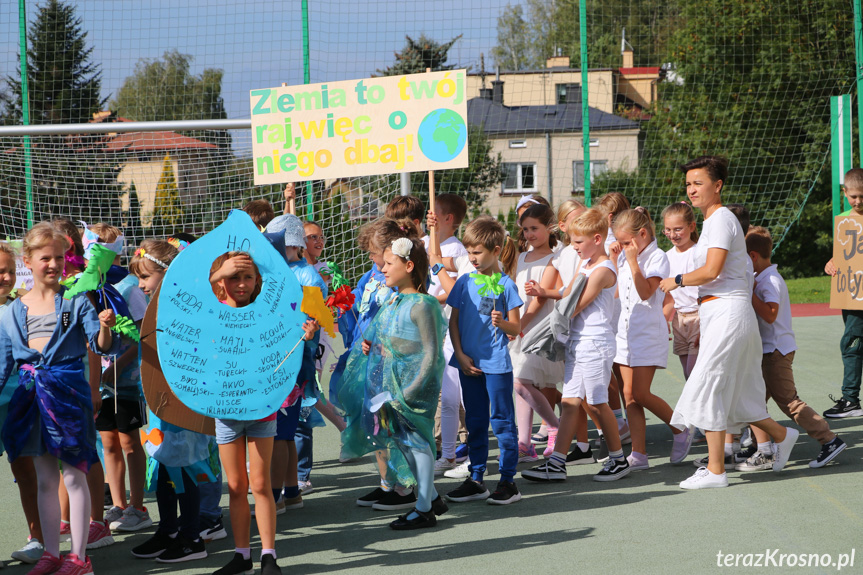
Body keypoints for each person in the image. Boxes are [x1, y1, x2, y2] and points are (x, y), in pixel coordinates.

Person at [659, 155, 799, 489]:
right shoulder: (713, 221)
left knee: (709, 385)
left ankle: (716, 470)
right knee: (735, 395)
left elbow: (712, 271)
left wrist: (675, 280)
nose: (691, 189)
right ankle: (782, 435)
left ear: (717, 186)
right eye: (689, 184)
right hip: (723, 313)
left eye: (699, 183)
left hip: (728, 314)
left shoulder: (720, 219)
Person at [0, 223, 118, 575]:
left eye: (58, 258)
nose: (52, 265)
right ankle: (52, 552)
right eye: (44, 258)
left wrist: (106, 326)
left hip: (67, 396)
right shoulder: (11, 312)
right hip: (29, 399)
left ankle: (79, 558)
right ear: (29, 261)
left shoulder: (76, 301)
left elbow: (101, 345)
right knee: (46, 480)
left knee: (74, 476)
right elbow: (4, 364)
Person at [340, 237, 449, 529]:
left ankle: (424, 507)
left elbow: (430, 351)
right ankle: (432, 497)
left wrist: (413, 387)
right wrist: (372, 345)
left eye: (389, 264)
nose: (383, 269)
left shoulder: (422, 304)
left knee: (417, 443)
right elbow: (387, 336)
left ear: (409, 265)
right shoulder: (394, 300)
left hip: (413, 385)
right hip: (393, 384)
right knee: (403, 441)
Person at [522, 208, 630, 482]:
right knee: (570, 403)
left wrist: (538, 327)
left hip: (595, 343)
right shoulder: (586, 265)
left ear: (597, 239)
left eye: (578, 242)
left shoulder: (604, 269)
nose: (574, 247)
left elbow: (576, 305)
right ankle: (557, 463)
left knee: (596, 404)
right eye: (572, 241)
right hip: (578, 343)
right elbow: (566, 292)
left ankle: (619, 460)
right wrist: (542, 292)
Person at [128, 239, 214, 564]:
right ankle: (169, 530)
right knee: (163, 463)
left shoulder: (185, 307)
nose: (140, 284)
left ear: (165, 274)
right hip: (159, 404)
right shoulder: (155, 308)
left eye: (146, 277)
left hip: (182, 404)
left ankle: (192, 538)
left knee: (185, 468)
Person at [735, 227, 846, 470]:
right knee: (753, 400)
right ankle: (758, 446)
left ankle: (829, 439)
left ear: (752, 256)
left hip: (775, 351)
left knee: (789, 403)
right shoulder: (763, 278)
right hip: (767, 351)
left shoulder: (770, 280)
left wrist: (748, 292)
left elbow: (771, 314)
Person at [331, 218, 420, 511]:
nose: (372, 259)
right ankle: (386, 483)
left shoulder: (398, 278)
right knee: (374, 423)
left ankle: (405, 487)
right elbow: (359, 307)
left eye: (374, 253)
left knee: (390, 422)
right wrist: (343, 303)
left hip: (388, 358)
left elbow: (400, 316)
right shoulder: (370, 276)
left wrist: (382, 342)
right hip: (366, 356)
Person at [208, 251, 281, 575]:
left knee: (260, 484)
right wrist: (217, 274)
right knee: (236, 486)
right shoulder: (213, 313)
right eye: (233, 277)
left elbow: (284, 343)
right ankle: (242, 555)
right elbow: (199, 302)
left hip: (262, 408)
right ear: (221, 280)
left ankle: (268, 555)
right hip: (226, 411)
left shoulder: (266, 312)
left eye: (247, 276)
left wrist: (305, 335)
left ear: (257, 280)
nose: (241, 283)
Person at [445, 217, 524, 505]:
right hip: (469, 364)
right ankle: (477, 478)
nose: (473, 258)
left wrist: (502, 323)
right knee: (476, 422)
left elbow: (516, 328)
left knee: (502, 422)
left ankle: (508, 482)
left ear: (496, 250)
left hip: (496, 366)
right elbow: (453, 322)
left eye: (478, 252)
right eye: (469, 252)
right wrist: (461, 354)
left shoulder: (506, 284)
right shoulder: (464, 281)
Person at [83, 224, 151, 535]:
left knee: (130, 442)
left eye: (105, 249)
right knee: (107, 443)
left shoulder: (128, 287)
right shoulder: (85, 287)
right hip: (101, 384)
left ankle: (138, 506)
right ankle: (119, 503)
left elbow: (140, 337)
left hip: (128, 382)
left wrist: (115, 368)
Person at [612, 208, 691, 471]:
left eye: (625, 242)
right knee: (629, 396)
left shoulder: (656, 257)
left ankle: (681, 429)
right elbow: (615, 292)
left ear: (642, 234)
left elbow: (646, 293)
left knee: (640, 392)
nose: (623, 247)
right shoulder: (624, 257)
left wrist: (632, 261)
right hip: (625, 333)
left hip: (647, 333)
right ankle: (639, 454)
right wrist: (617, 261)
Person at [260, 214, 324, 515]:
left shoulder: (308, 277)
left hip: (293, 363)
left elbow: (311, 324)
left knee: (280, 433)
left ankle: (274, 497)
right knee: (282, 432)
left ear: (291, 244)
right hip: (277, 360)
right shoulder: (278, 271)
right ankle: (290, 491)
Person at [422, 194, 471, 477]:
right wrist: (429, 229)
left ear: (449, 219)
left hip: (454, 331)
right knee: (448, 398)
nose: (432, 217)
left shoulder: (460, 251)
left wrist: (433, 300)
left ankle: (472, 453)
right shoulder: (430, 241)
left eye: (436, 214)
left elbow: (449, 284)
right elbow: (426, 256)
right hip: (436, 332)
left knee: (464, 399)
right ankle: (449, 455)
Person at [510, 204, 563, 460]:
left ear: (549, 228)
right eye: (526, 229)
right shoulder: (521, 258)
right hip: (519, 328)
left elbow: (540, 300)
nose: (530, 234)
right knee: (520, 382)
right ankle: (525, 443)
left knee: (521, 382)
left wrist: (519, 325)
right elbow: (514, 294)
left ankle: (555, 426)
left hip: (538, 331)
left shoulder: (554, 259)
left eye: (535, 228)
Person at [823, 167, 863, 418]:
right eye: (854, 196)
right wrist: (831, 263)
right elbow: (845, 255)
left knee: (851, 343)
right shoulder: (845, 220)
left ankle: (850, 399)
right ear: (845, 193)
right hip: (850, 293)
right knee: (852, 342)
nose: (859, 201)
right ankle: (851, 399)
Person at [661, 202, 700, 379]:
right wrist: (663, 321)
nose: (672, 235)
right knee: (687, 374)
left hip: (699, 317)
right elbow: (667, 296)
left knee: (695, 374)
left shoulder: (699, 253)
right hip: (679, 320)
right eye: (668, 230)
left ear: (691, 226)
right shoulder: (666, 257)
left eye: (678, 229)